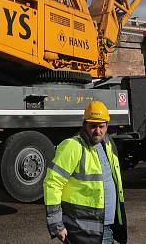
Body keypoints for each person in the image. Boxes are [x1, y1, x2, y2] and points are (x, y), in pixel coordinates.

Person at [44, 101, 127, 244]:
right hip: (82, 232)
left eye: (101, 126)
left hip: (106, 228)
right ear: (85, 125)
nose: (97, 131)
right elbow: (52, 184)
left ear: (107, 125)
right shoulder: (73, 146)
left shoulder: (108, 145)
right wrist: (57, 224)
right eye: (93, 126)